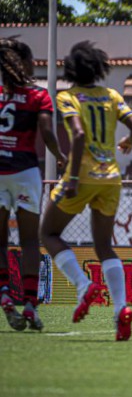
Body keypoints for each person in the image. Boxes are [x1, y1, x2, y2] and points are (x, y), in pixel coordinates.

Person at [39, 41, 132, 341]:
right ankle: (121, 309)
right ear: (98, 68)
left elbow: (80, 134)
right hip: (110, 177)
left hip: (81, 176)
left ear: (70, 69)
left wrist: (71, 177)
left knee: (47, 234)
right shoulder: (111, 95)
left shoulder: (67, 96)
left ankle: (84, 286)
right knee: (104, 246)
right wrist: (128, 143)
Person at [0, 38, 65, 332]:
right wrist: (61, 157)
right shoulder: (38, 95)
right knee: (28, 242)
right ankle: (29, 304)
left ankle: (4, 296)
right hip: (25, 171)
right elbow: (47, 132)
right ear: (24, 62)